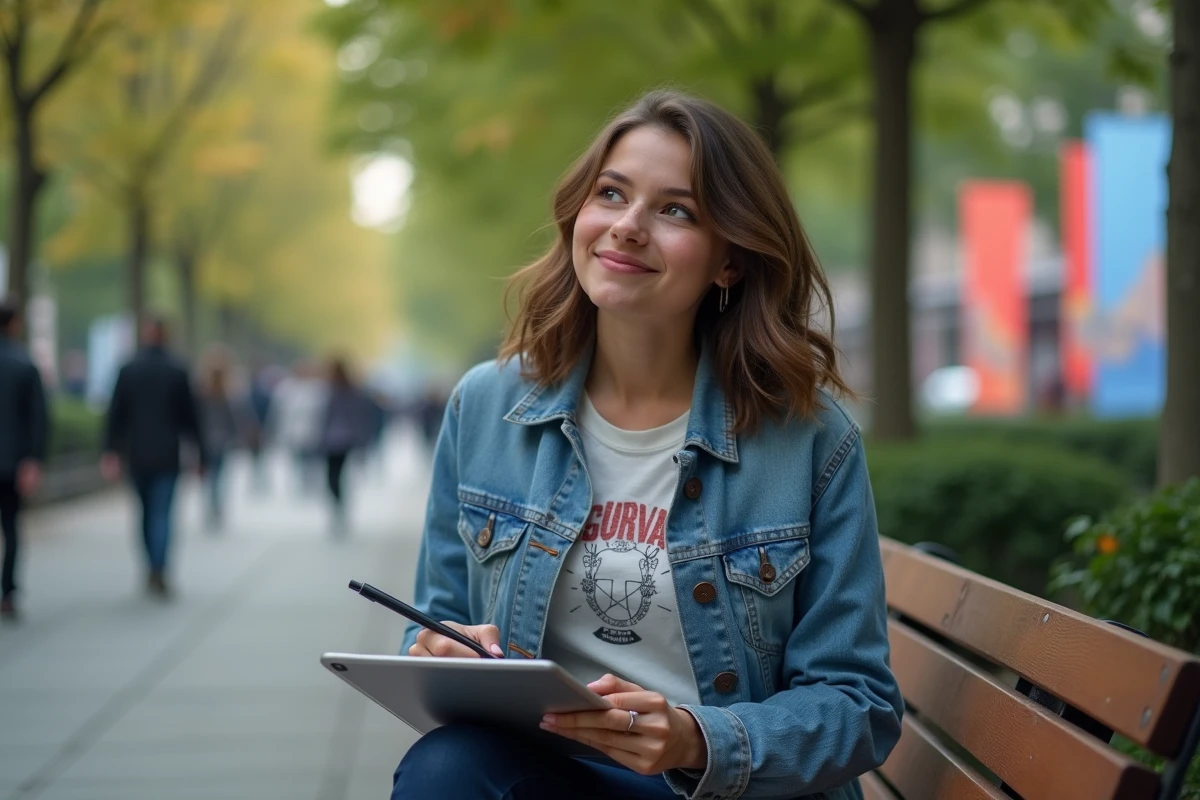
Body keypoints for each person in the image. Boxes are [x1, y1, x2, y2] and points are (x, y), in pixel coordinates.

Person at [390, 91, 903, 799]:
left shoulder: (808, 440)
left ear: (729, 261)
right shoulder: (486, 408)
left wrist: (697, 739)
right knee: (445, 768)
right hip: (554, 775)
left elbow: (858, 705)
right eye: (611, 193)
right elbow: (432, 618)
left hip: (723, 788)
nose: (627, 227)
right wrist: (441, 650)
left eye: (675, 211)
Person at [101, 318, 205, 598]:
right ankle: (159, 567)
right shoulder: (178, 370)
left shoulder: (128, 369)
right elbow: (191, 418)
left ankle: (151, 565)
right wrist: (201, 453)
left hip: (137, 453)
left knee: (145, 513)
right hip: (167, 453)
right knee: (162, 514)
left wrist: (110, 451)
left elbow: (115, 414)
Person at [0, 301, 48, 621]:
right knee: (11, 526)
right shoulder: (24, 364)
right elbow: (38, 419)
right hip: (12, 461)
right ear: (14, 324)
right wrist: (33, 460)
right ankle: (8, 591)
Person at [318, 357, 375, 533]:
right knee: (332, 477)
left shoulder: (351, 393)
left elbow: (359, 417)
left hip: (343, 440)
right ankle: (338, 504)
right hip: (333, 440)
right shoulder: (329, 391)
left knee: (334, 476)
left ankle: (339, 505)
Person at [197, 354, 250, 531]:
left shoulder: (203, 393)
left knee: (210, 475)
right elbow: (233, 418)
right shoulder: (226, 393)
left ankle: (212, 505)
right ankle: (216, 506)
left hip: (206, 440)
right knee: (218, 475)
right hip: (221, 440)